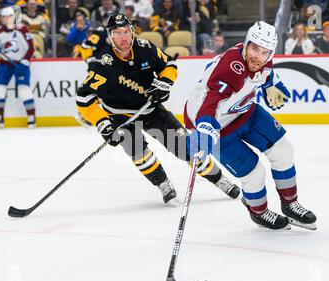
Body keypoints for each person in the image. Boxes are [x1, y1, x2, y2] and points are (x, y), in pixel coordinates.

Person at [75, 14, 240, 205]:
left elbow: (169, 64)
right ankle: (163, 184)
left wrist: (164, 82)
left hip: (150, 109)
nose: (124, 37)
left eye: (126, 31)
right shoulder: (103, 64)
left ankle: (219, 179)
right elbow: (84, 97)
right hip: (120, 116)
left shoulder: (145, 48)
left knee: (187, 147)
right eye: (118, 33)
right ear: (110, 36)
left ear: (132, 31)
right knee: (138, 152)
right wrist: (103, 122)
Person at [184, 21, 317, 230]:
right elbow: (212, 101)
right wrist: (205, 130)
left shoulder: (264, 61)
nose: (258, 57)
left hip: (244, 111)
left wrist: (273, 85)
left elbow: (267, 74)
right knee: (254, 173)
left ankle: (290, 204)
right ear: (246, 44)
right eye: (254, 48)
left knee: (283, 150)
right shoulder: (230, 68)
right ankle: (259, 212)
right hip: (214, 124)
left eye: (265, 52)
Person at [0, 6, 36, 128]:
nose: (6, 19)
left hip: (21, 63)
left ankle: (31, 116)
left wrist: (25, 60)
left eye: (9, 16)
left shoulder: (23, 29)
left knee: (23, 89)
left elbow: (31, 47)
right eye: (3, 17)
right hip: (5, 64)